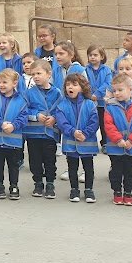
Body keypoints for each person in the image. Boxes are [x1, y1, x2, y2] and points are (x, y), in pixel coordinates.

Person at [104, 74, 132, 206]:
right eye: (115, 90)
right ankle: (117, 191)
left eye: (120, 90)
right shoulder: (110, 108)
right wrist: (118, 139)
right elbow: (108, 125)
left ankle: (128, 192)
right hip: (115, 147)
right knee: (116, 171)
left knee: (130, 172)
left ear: (130, 90)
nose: (116, 93)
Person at [56, 73, 100, 203]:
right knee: (72, 167)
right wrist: (73, 132)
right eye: (68, 84)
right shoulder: (62, 105)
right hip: (71, 142)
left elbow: (94, 122)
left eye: (74, 84)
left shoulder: (90, 104)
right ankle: (74, 189)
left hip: (87, 142)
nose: (70, 87)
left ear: (82, 87)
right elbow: (61, 122)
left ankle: (89, 190)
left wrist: (85, 133)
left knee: (88, 167)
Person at [0, 69, 28, 200]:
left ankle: (14, 185)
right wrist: (1, 123)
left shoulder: (21, 100)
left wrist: (14, 125)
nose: (1, 85)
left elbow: (24, 117)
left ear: (15, 83)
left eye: (5, 82)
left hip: (13, 142)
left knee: (13, 165)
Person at [24, 60, 62, 199]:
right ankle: (38, 183)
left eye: (39, 73)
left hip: (50, 133)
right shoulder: (29, 93)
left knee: (50, 160)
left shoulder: (57, 92)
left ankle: (50, 183)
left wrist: (55, 118)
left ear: (48, 74)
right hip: (33, 134)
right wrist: (35, 116)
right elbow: (24, 110)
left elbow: (61, 109)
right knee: (35, 160)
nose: (36, 76)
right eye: (33, 74)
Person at [84, 45, 112, 153]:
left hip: (102, 103)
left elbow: (108, 84)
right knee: (90, 122)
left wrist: (97, 94)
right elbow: (84, 82)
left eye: (95, 55)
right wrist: (90, 94)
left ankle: (105, 142)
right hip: (89, 101)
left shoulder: (107, 70)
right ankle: (90, 142)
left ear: (102, 56)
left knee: (103, 123)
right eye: (90, 55)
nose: (92, 57)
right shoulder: (85, 69)